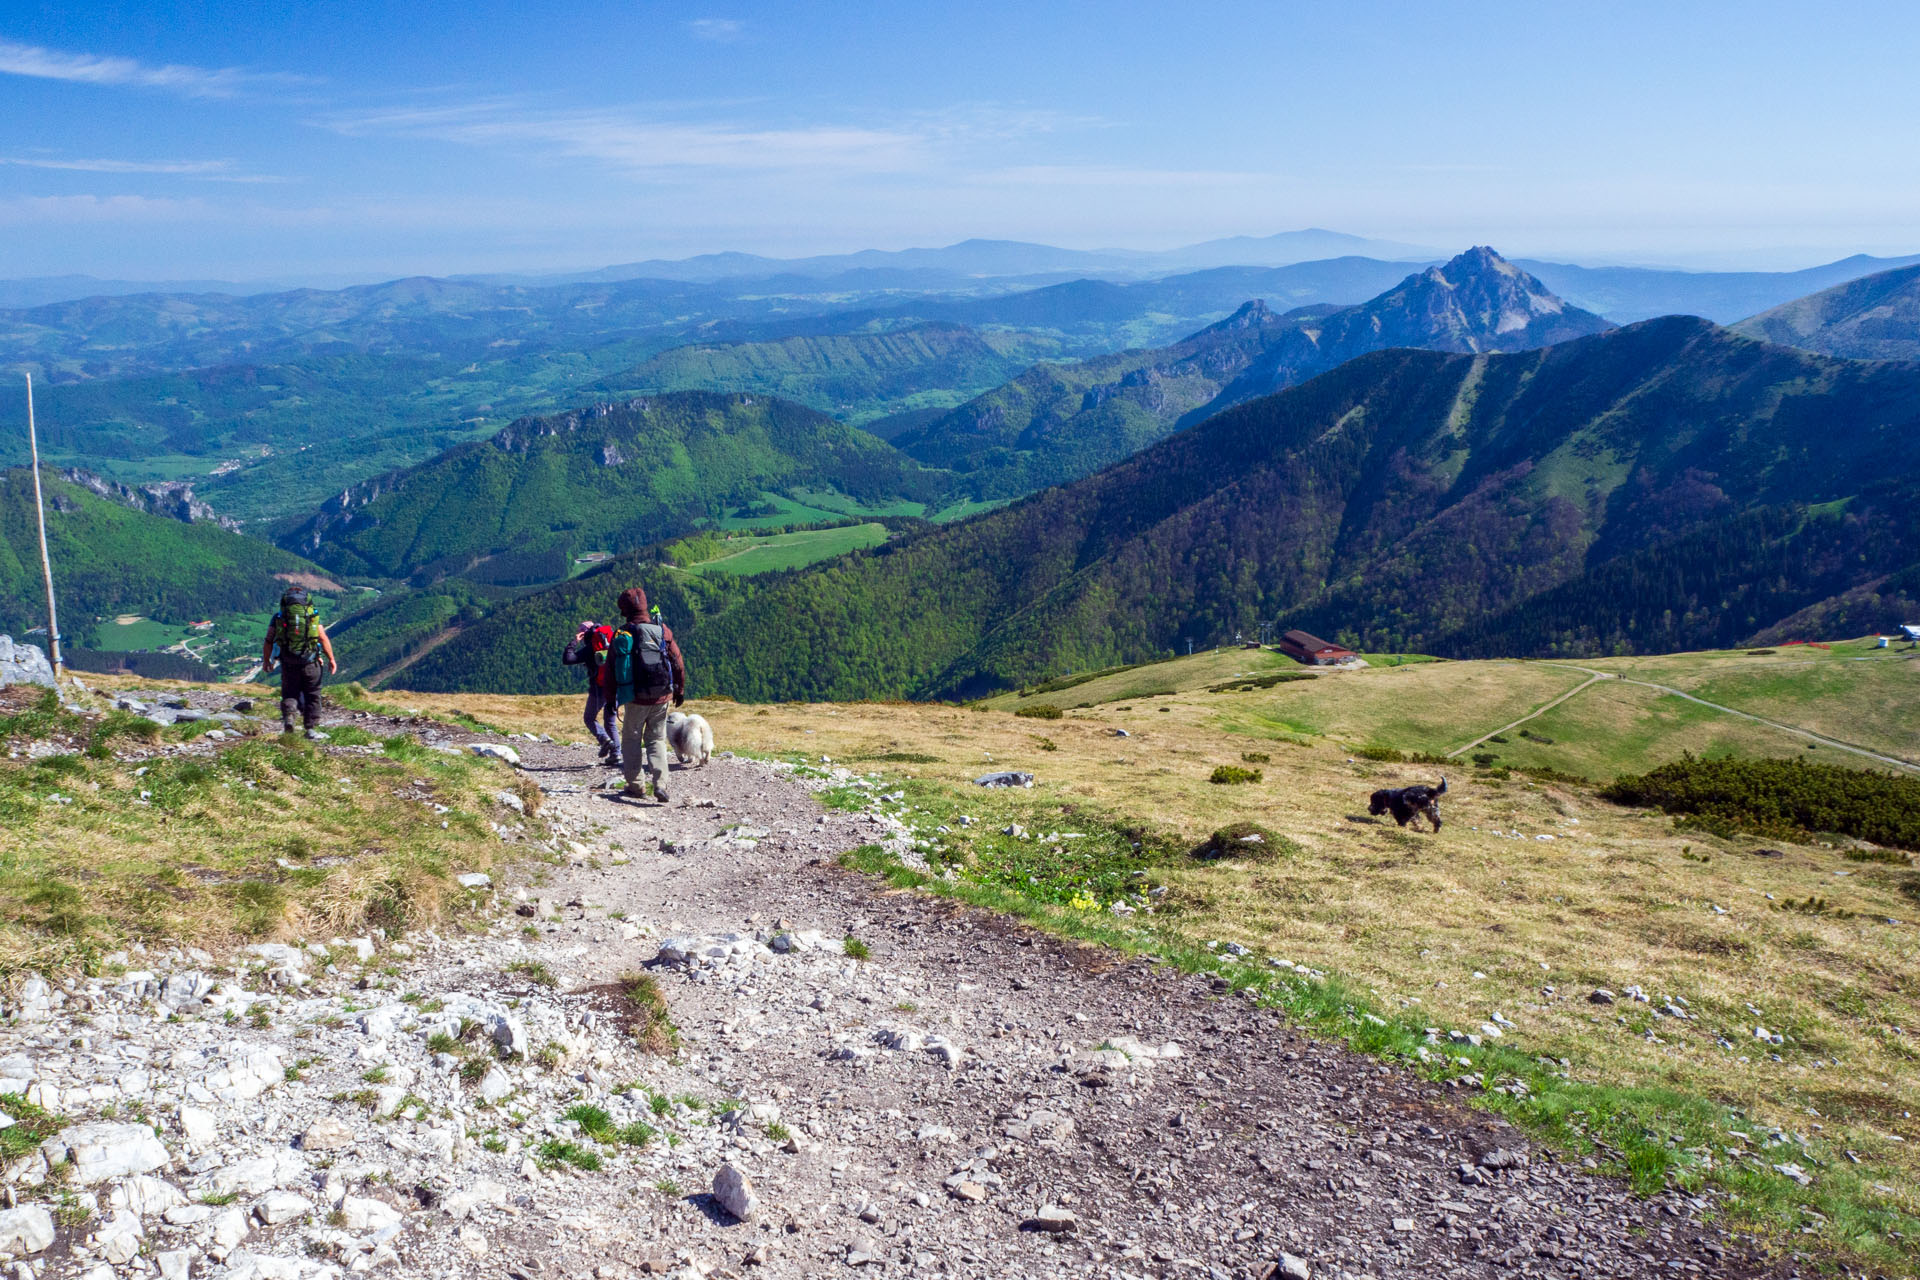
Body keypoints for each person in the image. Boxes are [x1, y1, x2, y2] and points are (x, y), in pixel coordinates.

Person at [601, 585, 686, 803]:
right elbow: (677, 661)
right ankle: (661, 785)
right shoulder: (661, 630)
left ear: (625, 610)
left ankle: (636, 785)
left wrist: (611, 700)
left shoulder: (623, 634)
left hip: (635, 698)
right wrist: (679, 689)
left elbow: (610, 670)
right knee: (656, 739)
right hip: (662, 696)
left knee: (631, 739)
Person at [261, 587, 337, 738]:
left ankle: (289, 717)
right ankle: (311, 728)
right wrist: (331, 659)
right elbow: (322, 638)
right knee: (313, 694)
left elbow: (269, 640)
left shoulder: (279, 617)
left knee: (290, 693)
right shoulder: (311, 616)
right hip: (311, 662)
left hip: (288, 662)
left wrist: (267, 661)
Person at [562, 619, 619, 765]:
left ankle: (604, 740)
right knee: (610, 721)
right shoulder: (612, 640)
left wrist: (574, 642)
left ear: (583, 633)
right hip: (616, 685)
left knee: (589, 718)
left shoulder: (590, 648)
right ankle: (616, 754)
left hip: (599, 688)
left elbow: (568, 659)